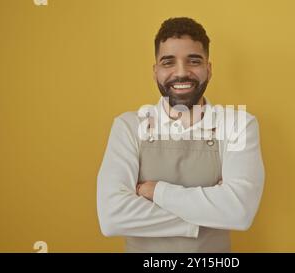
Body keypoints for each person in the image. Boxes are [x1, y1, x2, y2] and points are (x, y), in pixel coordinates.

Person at [97, 17, 265, 252]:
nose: (181, 72)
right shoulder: (128, 126)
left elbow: (239, 212)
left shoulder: (238, 124)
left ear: (209, 69)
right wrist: (209, 214)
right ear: (155, 72)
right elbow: (112, 217)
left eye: (193, 61)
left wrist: (154, 191)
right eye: (168, 62)